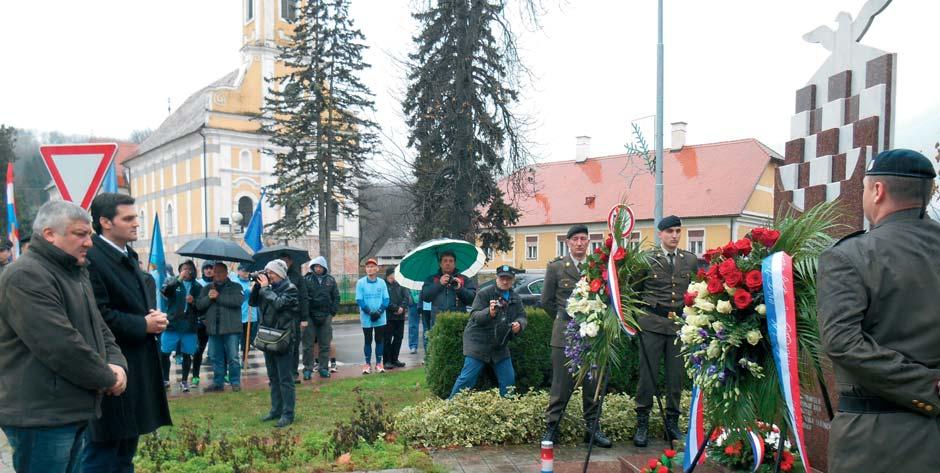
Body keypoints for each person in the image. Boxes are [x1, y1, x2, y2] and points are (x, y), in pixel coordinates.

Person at [817, 149, 940, 473]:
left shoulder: (850, 255)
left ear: (877, 190)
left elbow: (842, 341)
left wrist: (929, 387)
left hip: (875, 441)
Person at [0, 200, 127, 473]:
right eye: (80, 234)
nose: (89, 243)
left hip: (69, 407)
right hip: (41, 414)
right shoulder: (25, 275)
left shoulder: (74, 271)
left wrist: (117, 365)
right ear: (49, 234)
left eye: (90, 235)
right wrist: (107, 378)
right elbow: (59, 345)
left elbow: (100, 327)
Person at [84, 193, 171, 472]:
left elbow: (131, 303)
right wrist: (142, 325)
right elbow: (97, 315)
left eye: (136, 217)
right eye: (129, 218)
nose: (136, 224)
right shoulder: (93, 259)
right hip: (111, 366)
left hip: (133, 364)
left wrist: (152, 317)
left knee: (124, 452)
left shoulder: (125, 255)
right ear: (105, 222)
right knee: (104, 452)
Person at [542, 224, 611, 447]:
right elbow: (546, 301)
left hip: (593, 335)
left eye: (583, 239)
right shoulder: (557, 267)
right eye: (575, 239)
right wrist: (568, 320)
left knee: (593, 384)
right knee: (561, 385)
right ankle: (552, 427)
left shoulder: (597, 266)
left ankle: (592, 428)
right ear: (568, 242)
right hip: (565, 334)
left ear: (589, 242)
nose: (580, 243)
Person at [632, 215, 698, 447]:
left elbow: (695, 291)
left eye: (678, 231)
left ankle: (672, 424)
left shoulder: (689, 260)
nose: (674, 235)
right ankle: (642, 423)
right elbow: (634, 292)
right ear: (660, 234)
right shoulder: (647, 259)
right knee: (647, 378)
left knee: (675, 378)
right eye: (669, 231)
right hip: (651, 324)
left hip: (678, 327)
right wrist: (638, 320)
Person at [449, 265, 526, 398]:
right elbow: (474, 316)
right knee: (467, 379)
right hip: (478, 343)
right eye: (502, 278)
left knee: (509, 380)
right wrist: (489, 312)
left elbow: (522, 316)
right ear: (497, 278)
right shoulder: (484, 293)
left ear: (513, 280)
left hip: (499, 344)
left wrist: (519, 324)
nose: (505, 281)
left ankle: (507, 411)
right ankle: (450, 407)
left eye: (508, 278)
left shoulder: (515, 297)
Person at [250, 259, 301, 428]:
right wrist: (257, 287)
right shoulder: (267, 289)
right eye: (267, 272)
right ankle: (275, 409)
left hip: (284, 338)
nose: (268, 275)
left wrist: (265, 289)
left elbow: (279, 304)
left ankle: (288, 414)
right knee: (273, 377)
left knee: (285, 378)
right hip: (267, 336)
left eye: (271, 272)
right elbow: (252, 303)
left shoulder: (291, 289)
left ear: (280, 274)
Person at [195, 262, 245, 392]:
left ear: (226, 273)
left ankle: (235, 382)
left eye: (219, 272)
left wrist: (218, 297)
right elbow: (199, 305)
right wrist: (209, 298)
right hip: (214, 329)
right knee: (216, 357)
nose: (216, 274)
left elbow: (237, 301)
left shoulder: (236, 286)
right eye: (214, 272)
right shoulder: (207, 288)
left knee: (233, 357)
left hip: (231, 329)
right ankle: (218, 383)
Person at [419, 250, 477, 350]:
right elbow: (425, 297)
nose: (448, 263)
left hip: (458, 322)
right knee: (438, 351)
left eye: (451, 261)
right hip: (438, 322)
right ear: (440, 263)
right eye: (445, 261)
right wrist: (439, 284)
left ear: (455, 263)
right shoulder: (431, 279)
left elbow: (472, 299)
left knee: (457, 351)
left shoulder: (464, 279)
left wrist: (460, 288)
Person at [160, 260, 201, 392]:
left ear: (193, 271)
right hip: (172, 324)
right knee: (164, 352)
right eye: (184, 269)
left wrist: (193, 301)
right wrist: (178, 280)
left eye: (189, 269)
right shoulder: (172, 281)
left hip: (189, 326)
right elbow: (165, 292)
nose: (187, 271)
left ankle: (184, 381)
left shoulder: (197, 286)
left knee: (187, 354)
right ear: (179, 270)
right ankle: (165, 378)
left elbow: (202, 306)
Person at [303, 256, 339, 379]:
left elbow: (336, 297)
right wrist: (305, 314)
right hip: (310, 317)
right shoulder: (306, 280)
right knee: (308, 345)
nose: (318, 269)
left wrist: (332, 313)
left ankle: (323, 368)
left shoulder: (331, 280)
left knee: (325, 344)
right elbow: (303, 298)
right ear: (312, 267)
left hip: (326, 316)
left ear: (324, 267)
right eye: (315, 267)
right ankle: (307, 369)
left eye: (320, 266)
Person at [278, 253, 309, 384]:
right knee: (278, 346)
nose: (284, 262)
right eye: (282, 260)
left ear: (290, 261)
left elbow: (303, 297)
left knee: (294, 346)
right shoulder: (274, 276)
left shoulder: (297, 277)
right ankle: (280, 374)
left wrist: (304, 318)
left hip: (294, 316)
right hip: (278, 317)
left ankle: (293, 373)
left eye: (286, 260)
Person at [356, 258, 389, 374]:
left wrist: (379, 312)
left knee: (379, 340)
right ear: (365, 269)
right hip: (366, 317)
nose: (369, 269)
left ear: (377, 269)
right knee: (368, 340)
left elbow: (386, 299)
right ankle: (367, 364)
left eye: (372, 266)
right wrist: (370, 312)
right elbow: (359, 300)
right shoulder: (360, 283)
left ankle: (379, 363)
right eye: (367, 267)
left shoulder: (382, 282)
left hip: (380, 317)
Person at [190, 260, 216, 387]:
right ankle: (195, 376)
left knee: (220, 350)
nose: (209, 270)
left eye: (211, 268)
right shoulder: (198, 284)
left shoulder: (219, 283)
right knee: (198, 350)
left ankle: (222, 375)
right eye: (206, 268)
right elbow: (196, 304)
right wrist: (202, 318)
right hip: (202, 323)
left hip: (216, 322)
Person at [383, 266, 412, 369]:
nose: (393, 279)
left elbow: (406, 296)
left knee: (398, 338)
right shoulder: (384, 285)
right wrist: (395, 308)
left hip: (400, 316)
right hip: (388, 316)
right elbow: (385, 300)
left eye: (394, 277)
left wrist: (402, 307)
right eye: (391, 277)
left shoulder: (400, 284)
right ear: (387, 276)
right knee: (387, 339)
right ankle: (387, 361)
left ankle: (395, 359)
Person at [235, 264, 257, 358]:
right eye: (244, 271)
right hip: (238, 314)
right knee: (235, 339)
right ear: (239, 271)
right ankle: (234, 358)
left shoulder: (253, 282)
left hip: (250, 314)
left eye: (248, 271)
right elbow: (240, 297)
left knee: (247, 338)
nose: (246, 273)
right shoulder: (235, 282)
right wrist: (248, 290)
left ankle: (245, 358)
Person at [407, 287, 422, 354]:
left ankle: (428, 346)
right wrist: (408, 296)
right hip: (412, 303)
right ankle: (413, 346)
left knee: (426, 324)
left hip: (424, 301)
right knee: (413, 325)